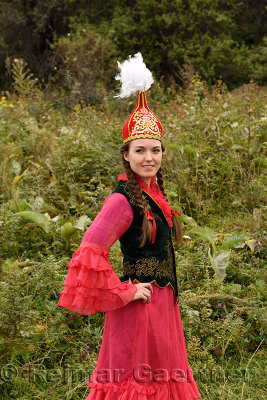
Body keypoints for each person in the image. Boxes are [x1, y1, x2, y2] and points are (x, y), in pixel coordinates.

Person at [57, 53, 201, 399]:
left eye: (156, 150)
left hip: (164, 305)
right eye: (140, 150)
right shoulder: (121, 200)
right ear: (126, 154)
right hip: (140, 309)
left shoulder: (154, 194)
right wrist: (125, 291)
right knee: (135, 381)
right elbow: (88, 252)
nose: (149, 157)